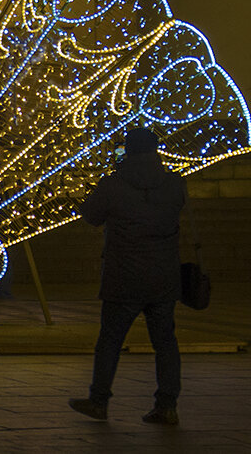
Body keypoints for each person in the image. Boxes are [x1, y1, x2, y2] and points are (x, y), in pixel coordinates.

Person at [69, 127, 186, 426]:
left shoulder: (113, 184)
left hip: (124, 274)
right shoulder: (174, 183)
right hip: (164, 274)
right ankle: (167, 404)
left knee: (109, 341)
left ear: (128, 150)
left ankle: (99, 400)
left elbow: (91, 216)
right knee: (165, 342)